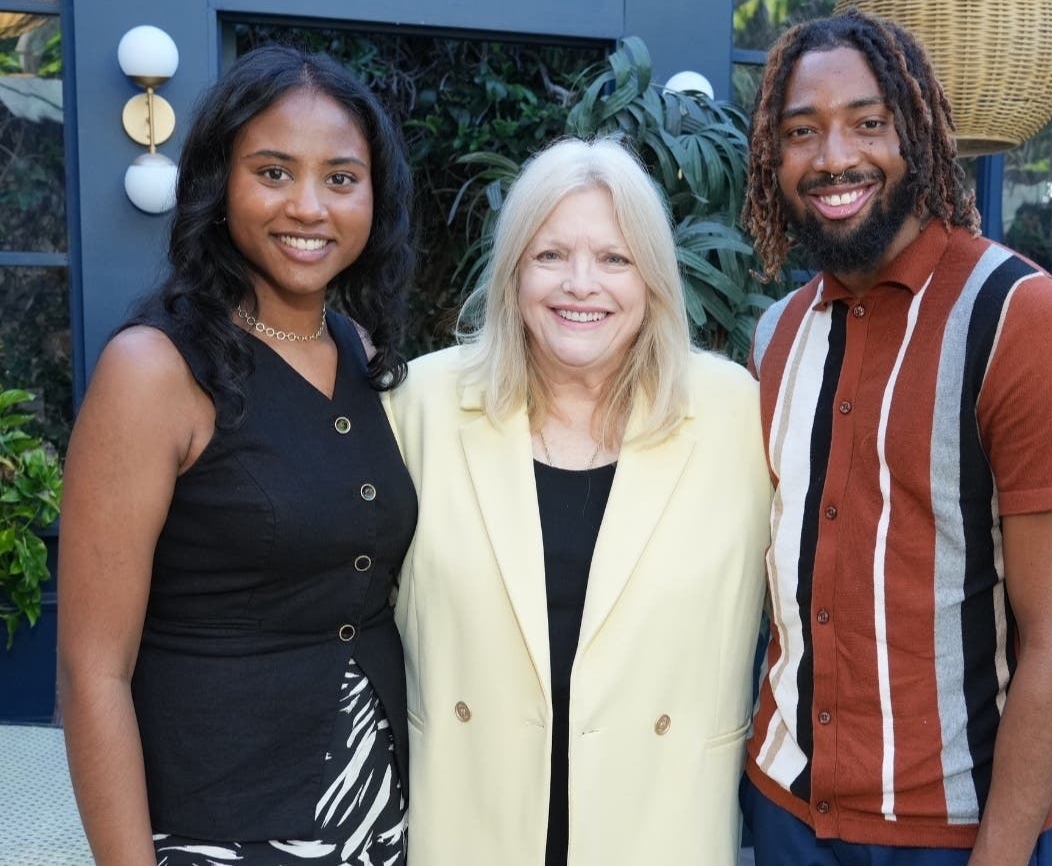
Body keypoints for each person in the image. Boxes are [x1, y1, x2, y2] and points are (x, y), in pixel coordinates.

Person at [738, 11, 1052, 865]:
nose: (834, 157)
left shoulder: (1022, 320)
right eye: (802, 132)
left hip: (953, 833)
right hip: (783, 810)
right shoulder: (776, 335)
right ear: (773, 156)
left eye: (868, 122)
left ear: (917, 134)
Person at [58, 45, 417, 865]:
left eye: (341, 178)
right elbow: (92, 671)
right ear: (220, 182)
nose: (309, 207)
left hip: (371, 801)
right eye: (273, 172)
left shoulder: (358, 351)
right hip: (215, 824)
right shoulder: (153, 371)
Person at [382, 136, 772, 865]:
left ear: (653, 277)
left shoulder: (737, 417)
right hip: (467, 827)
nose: (580, 284)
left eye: (615, 258)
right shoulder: (418, 406)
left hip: (663, 828)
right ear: (514, 271)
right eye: (551, 255)